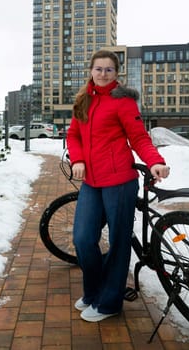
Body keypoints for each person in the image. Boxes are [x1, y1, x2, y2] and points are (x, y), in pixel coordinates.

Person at [67, 49, 169, 322]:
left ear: (116, 73)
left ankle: (110, 302)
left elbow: (139, 138)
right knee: (83, 239)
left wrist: (155, 162)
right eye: (98, 69)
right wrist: (77, 159)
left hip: (120, 182)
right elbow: (73, 134)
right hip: (91, 182)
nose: (102, 74)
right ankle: (93, 292)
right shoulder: (83, 100)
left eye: (108, 70)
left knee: (118, 242)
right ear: (91, 70)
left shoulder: (123, 102)